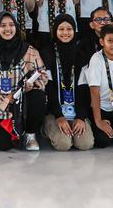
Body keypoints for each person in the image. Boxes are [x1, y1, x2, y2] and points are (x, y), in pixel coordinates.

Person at [0, 12, 48, 152]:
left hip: (21, 104)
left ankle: (30, 135)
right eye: (3, 26)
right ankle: (10, 131)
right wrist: (5, 100)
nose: (8, 29)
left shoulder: (28, 50)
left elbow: (43, 75)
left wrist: (32, 85)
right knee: (3, 145)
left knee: (38, 96)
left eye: (11, 25)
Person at [38, 14, 93, 151]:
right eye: (61, 29)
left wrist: (80, 117)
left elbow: (84, 88)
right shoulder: (47, 53)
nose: (65, 33)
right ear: (55, 31)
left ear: (74, 31)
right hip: (54, 111)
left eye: (69, 29)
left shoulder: (81, 54)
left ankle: (76, 126)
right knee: (63, 145)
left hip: (76, 109)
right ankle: (46, 128)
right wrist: (59, 116)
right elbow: (49, 88)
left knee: (85, 144)